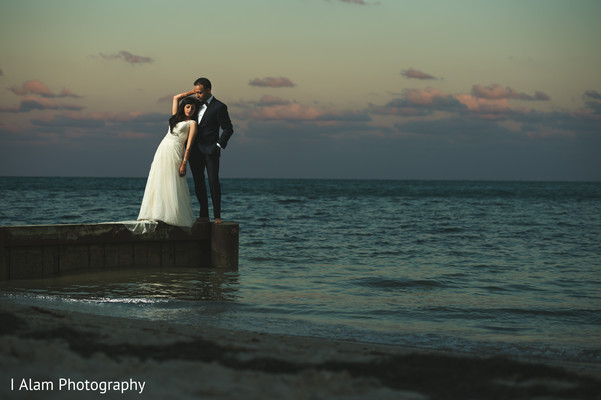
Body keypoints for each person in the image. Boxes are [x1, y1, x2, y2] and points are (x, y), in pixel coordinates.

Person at [136, 91, 199, 228]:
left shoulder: (192, 123)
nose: (190, 110)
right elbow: (176, 97)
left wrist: (184, 162)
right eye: (188, 106)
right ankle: (156, 213)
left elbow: (189, 145)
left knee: (172, 180)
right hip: (162, 149)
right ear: (184, 107)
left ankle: (172, 215)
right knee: (158, 178)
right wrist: (194, 92)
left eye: (193, 108)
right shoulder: (176, 118)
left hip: (175, 151)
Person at [188, 77, 234, 224]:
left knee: (214, 182)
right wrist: (188, 94)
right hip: (194, 151)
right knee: (198, 182)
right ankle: (203, 215)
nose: (197, 95)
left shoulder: (219, 107)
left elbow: (228, 129)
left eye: (200, 92)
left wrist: (218, 146)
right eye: (195, 92)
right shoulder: (193, 104)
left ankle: (217, 216)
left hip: (211, 151)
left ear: (208, 90)